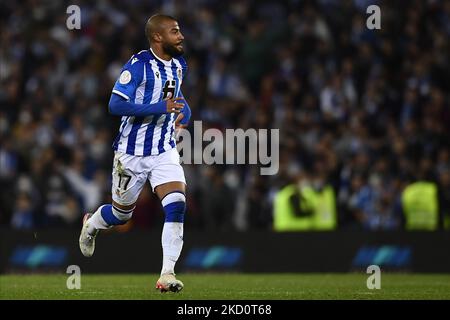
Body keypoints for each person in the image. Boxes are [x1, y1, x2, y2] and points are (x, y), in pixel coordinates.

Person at [78, 14, 192, 293]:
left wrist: (184, 111)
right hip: (131, 153)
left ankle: (167, 274)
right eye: (175, 32)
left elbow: (176, 97)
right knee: (121, 215)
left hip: (164, 150)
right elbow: (115, 105)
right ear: (157, 37)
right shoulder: (139, 65)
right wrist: (160, 109)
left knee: (176, 204)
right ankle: (91, 224)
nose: (181, 36)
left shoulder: (179, 65)